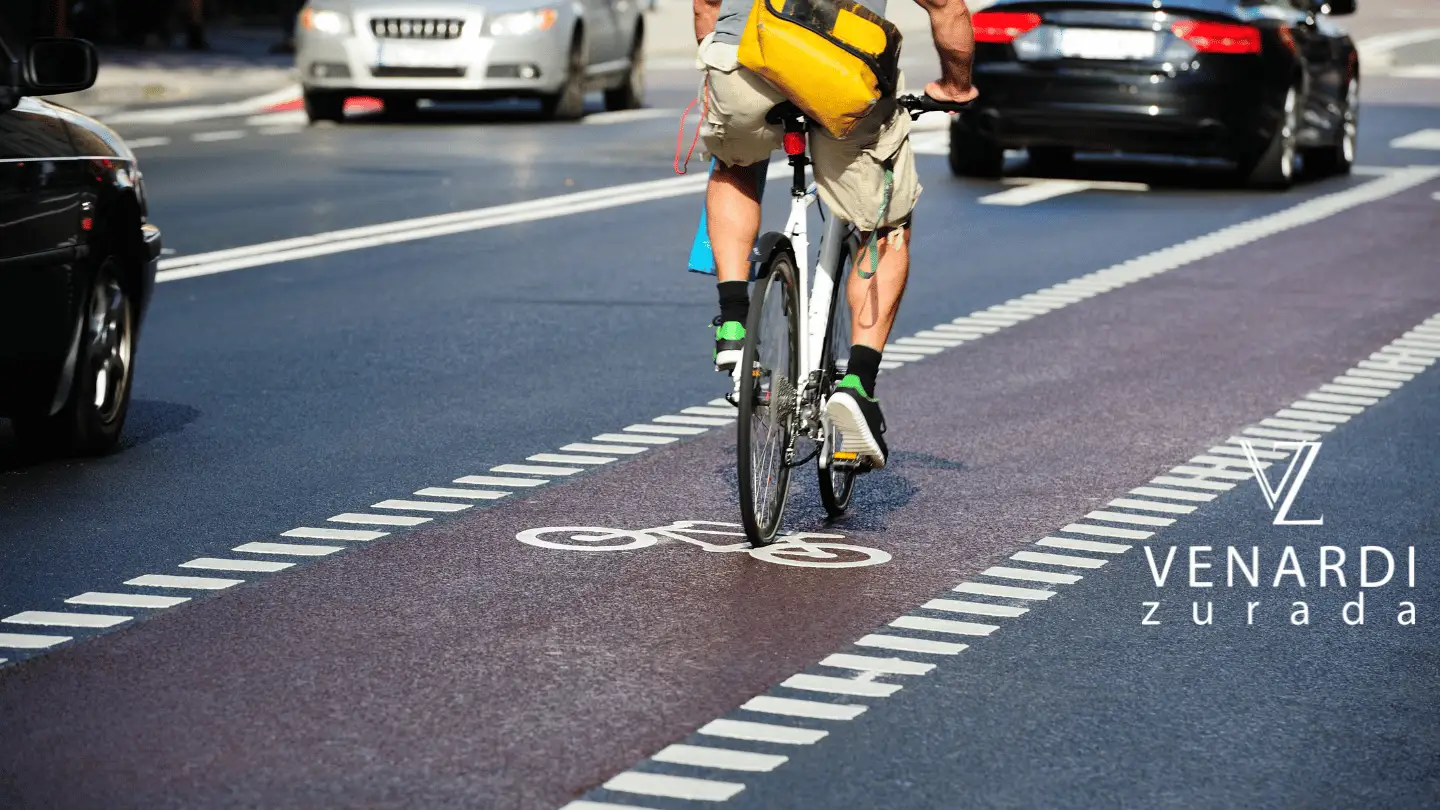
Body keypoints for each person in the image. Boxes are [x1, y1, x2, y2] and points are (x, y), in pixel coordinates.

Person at [695, 0, 977, 469]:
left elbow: (706, 4)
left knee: (735, 164)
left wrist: (716, 55)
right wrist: (955, 86)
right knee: (885, 223)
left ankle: (732, 323)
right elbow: (948, 8)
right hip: (840, 66)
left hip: (745, 52)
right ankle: (857, 384)